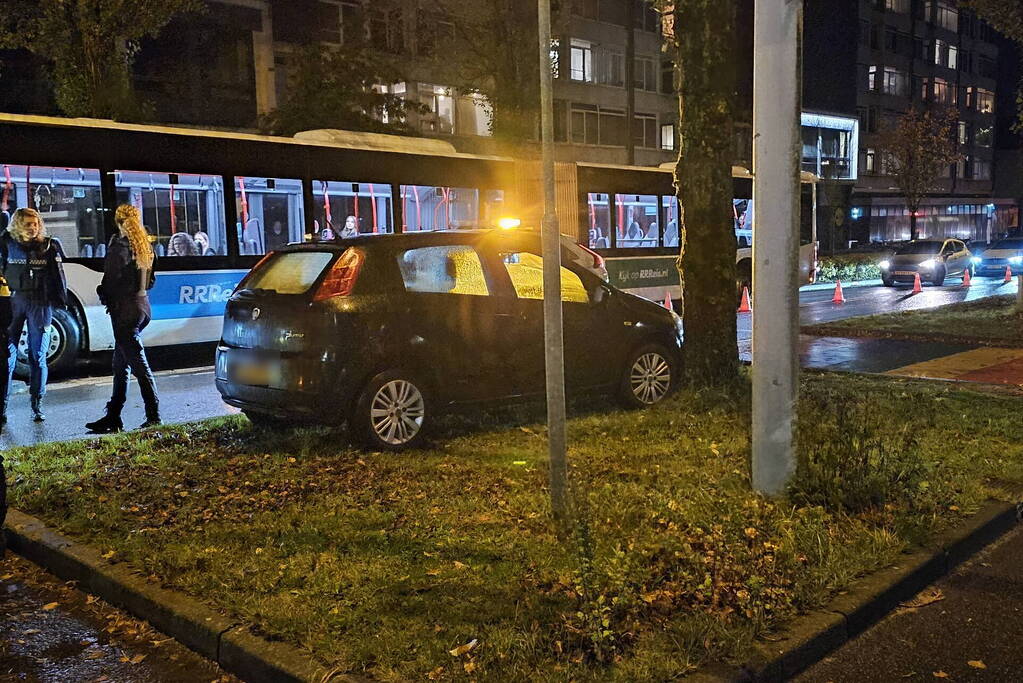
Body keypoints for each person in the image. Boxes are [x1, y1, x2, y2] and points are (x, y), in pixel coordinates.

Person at [85, 204, 160, 433]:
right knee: (120, 365)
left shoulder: (119, 248)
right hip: (142, 306)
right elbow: (151, 281)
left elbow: (111, 281)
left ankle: (154, 415)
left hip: (124, 311)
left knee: (138, 366)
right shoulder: (144, 246)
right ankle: (113, 416)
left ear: (117, 221)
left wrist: (102, 292)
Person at [0, 208, 68, 424]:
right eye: (28, 224)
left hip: (40, 304)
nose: (33, 228)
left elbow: (59, 276)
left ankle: (37, 404)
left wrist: (60, 300)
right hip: (12, 302)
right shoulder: (5, 242)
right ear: (18, 225)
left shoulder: (49, 245)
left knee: (38, 355)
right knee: (6, 357)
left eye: (36, 224)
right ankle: (2, 408)